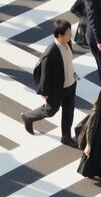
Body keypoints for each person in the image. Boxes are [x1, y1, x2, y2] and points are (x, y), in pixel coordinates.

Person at [21, 19, 78, 147]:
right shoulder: (50, 53)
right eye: (68, 33)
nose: (71, 35)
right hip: (58, 88)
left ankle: (66, 136)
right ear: (59, 35)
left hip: (71, 83)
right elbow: (45, 74)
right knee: (51, 110)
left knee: (69, 112)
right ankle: (28, 117)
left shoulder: (67, 43)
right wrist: (45, 91)